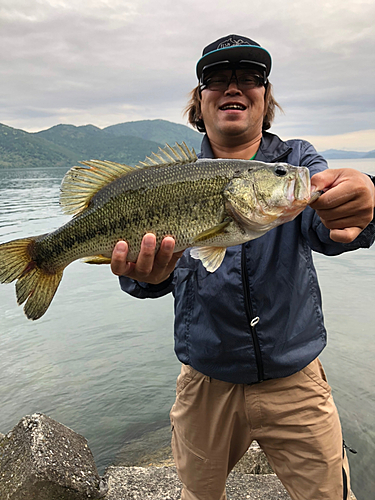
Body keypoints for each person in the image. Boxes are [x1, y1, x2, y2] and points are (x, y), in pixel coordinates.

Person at [111, 35, 375, 500]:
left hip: (297, 381)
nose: (234, 87)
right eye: (217, 79)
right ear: (200, 99)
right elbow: (147, 273)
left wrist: (364, 201)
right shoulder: (172, 177)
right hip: (204, 382)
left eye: (250, 77)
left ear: (265, 96)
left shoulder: (295, 163)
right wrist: (141, 277)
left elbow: (331, 225)